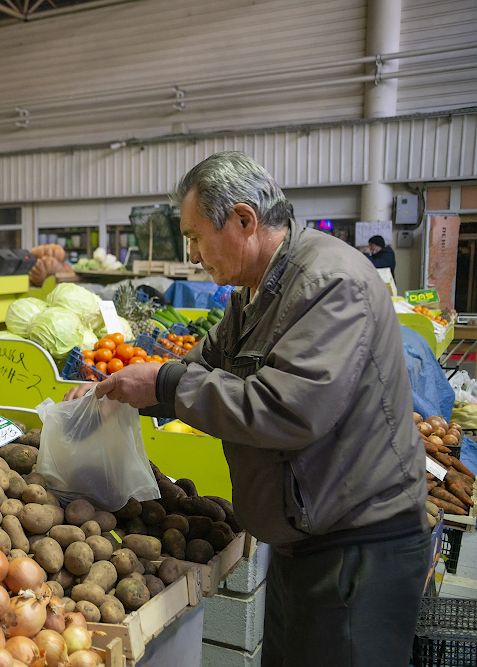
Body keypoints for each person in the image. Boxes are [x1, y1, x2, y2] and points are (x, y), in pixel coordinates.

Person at [65, 151, 427, 667]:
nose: (192, 255)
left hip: (358, 549)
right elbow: (201, 365)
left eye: (194, 236)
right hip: (305, 534)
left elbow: (287, 410)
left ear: (243, 220)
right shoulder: (255, 292)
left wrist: (164, 385)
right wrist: (118, 391)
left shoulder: (329, 284)